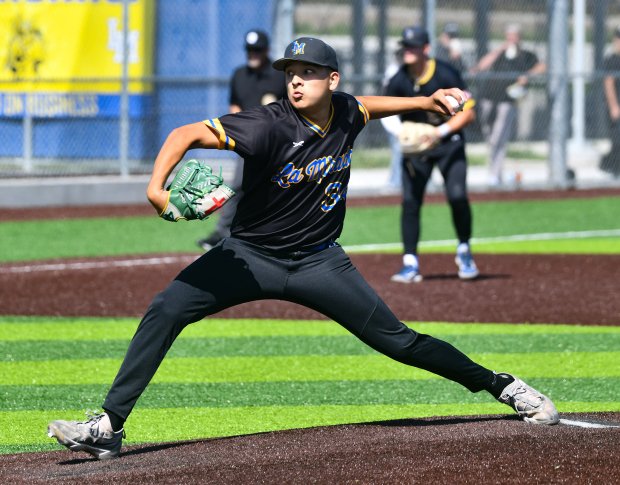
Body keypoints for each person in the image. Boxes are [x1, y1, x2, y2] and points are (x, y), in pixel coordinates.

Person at [47, 36, 559, 461]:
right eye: (291, 70)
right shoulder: (268, 123)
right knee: (166, 309)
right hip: (247, 257)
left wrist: (426, 103)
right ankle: (109, 425)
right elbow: (184, 133)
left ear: (331, 81)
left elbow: (369, 107)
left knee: (398, 342)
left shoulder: (345, 113)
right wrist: (158, 189)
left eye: (308, 71)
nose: (295, 79)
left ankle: (503, 386)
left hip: (319, 262)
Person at [384, 26, 479, 283]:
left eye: (413, 46)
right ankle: (410, 263)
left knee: (458, 196)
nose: (408, 51)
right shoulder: (399, 79)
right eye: (405, 46)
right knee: (411, 201)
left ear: (426, 49)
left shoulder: (446, 73)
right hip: (419, 149)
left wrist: (440, 132)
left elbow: (469, 112)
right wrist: (401, 133)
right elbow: (385, 110)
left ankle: (464, 250)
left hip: (449, 144)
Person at [197, 29, 286, 251]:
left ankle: (284, 235)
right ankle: (221, 233)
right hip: (250, 143)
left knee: (284, 189)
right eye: (249, 50)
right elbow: (235, 106)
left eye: (257, 50)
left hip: (280, 144)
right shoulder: (239, 75)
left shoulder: (278, 75)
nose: (252, 54)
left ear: (266, 50)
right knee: (237, 186)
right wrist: (238, 134)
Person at [471, 23, 546, 187]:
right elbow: (481, 66)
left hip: (507, 100)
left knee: (499, 138)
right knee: (490, 135)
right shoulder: (500, 53)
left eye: (514, 35)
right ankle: (495, 171)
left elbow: (542, 66)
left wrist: (527, 75)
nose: (511, 38)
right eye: (509, 35)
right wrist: (501, 49)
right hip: (489, 98)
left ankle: (494, 174)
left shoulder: (526, 55)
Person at [600, 27, 620, 177]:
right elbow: (609, 83)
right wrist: (614, 105)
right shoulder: (612, 59)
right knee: (617, 139)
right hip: (617, 107)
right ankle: (611, 167)